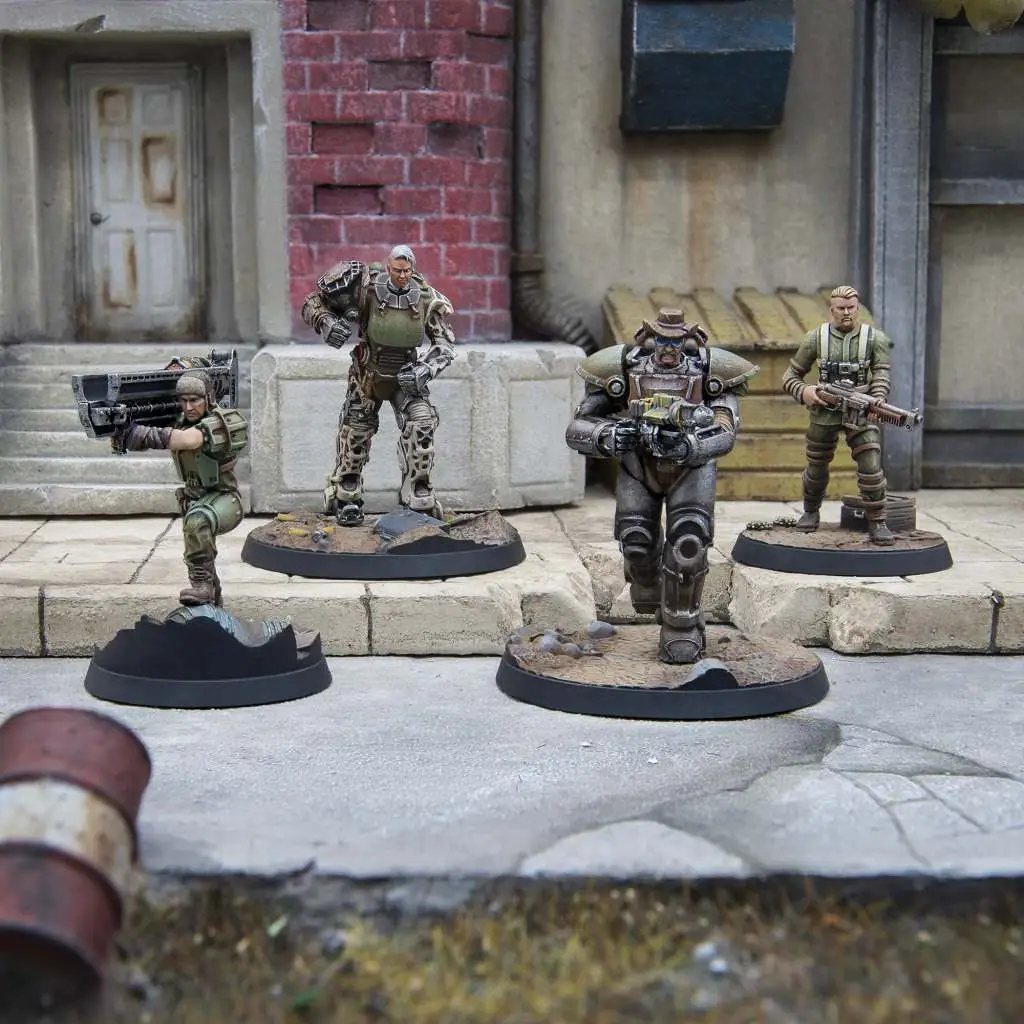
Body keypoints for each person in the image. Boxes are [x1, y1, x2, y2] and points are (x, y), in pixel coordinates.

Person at [566, 308, 758, 664]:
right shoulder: (625, 369)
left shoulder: (709, 372)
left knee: (688, 545)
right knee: (636, 543)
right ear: (650, 339)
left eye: (676, 341)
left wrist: (691, 445)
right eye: (662, 340)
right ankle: (647, 580)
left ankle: (681, 627)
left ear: (687, 340)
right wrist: (610, 434)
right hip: (639, 465)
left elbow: (725, 429)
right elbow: (578, 426)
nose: (669, 348)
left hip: (691, 468)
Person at [301, 244, 457, 526]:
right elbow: (313, 302)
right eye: (397, 270)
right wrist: (326, 322)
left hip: (406, 378)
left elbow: (445, 344)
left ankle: (418, 492)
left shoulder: (426, 297)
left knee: (421, 426)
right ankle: (347, 492)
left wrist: (425, 369)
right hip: (368, 376)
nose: (402, 275)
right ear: (388, 268)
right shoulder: (366, 288)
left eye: (407, 270)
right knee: (356, 433)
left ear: (413, 269)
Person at [112, 371, 247, 606]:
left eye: (194, 400)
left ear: (208, 397)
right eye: (183, 401)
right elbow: (165, 432)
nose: (188, 406)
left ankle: (202, 586)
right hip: (195, 498)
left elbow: (188, 440)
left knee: (197, 522)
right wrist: (121, 428)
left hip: (224, 498)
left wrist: (138, 434)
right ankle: (212, 598)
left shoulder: (222, 421)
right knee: (201, 549)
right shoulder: (181, 421)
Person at [781, 284, 895, 545]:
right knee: (816, 466)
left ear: (858, 308)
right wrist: (804, 391)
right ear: (831, 310)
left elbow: (881, 373)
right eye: (841, 308)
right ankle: (810, 512)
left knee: (871, 467)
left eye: (851, 308)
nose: (846, 313)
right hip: (824, 411)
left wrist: (878, 399)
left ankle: (878, 521)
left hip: (860, 410)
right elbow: (790, 376)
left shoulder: (874, 339)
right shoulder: (816, 338)